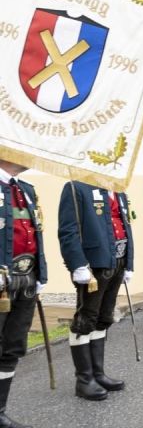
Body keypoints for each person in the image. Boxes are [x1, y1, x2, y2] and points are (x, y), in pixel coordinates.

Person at [59, 180, 134, 398]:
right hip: (93, 264)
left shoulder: (118, 190)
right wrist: (77, 264)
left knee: (104, 317)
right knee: (86, 319)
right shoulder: (77, 187)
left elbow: (125, 225)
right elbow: (68, 230)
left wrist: (129, 262)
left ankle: (97, 373)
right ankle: (84, 380)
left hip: (116, 261)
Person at [0, 160, 47, 425]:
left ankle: (0, 410)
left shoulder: (26, 189)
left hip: (26, 279)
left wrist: (42, 273)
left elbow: (37, 233)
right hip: (2, 284)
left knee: (13, 346)